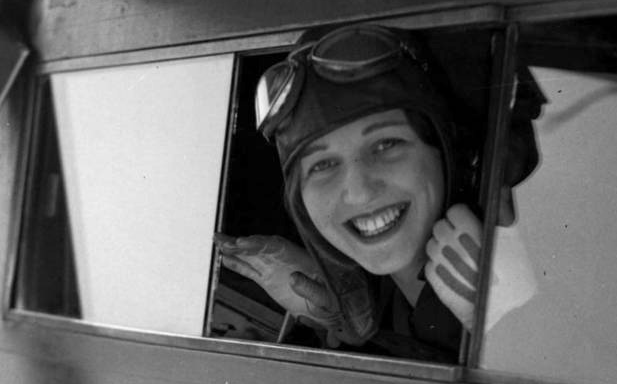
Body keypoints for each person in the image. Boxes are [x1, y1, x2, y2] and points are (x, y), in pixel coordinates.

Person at [217, 23, 542, 363]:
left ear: (444, 152)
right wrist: (335, 312)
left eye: (386, 145)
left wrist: (518, 329)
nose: (358, 192)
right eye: (323, 165)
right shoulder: (385, 299)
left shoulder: (560, 268)